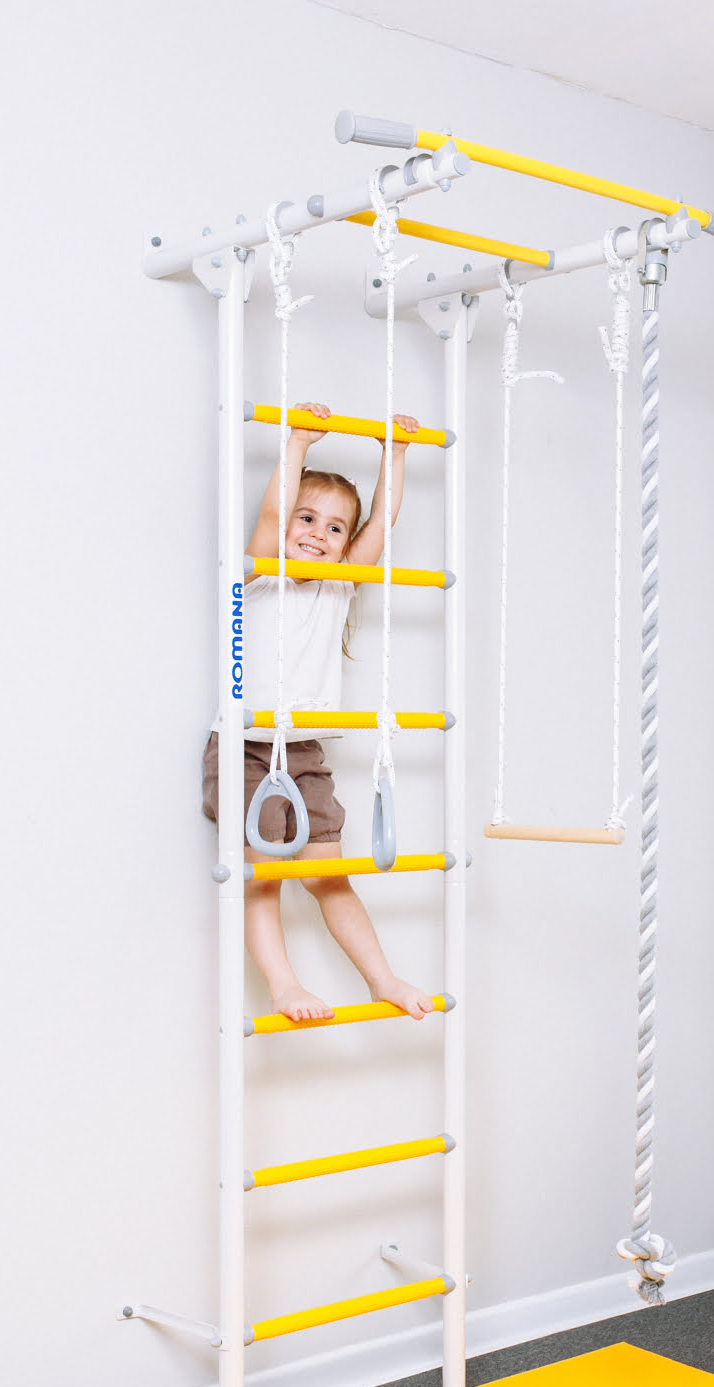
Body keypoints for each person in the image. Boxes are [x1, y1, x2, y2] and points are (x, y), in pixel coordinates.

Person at [202, 402, 436, 1025]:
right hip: (246, 749)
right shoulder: (261, 571)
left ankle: (383, 978)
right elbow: (271, 516)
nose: (317, 534)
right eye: (306, 518)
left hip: (305, 751)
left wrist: (396, 454)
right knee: (263, 877)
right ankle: (284, 986)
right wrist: (298, 444)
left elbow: (382, 524)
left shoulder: (339, 584)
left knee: (331, 878)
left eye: (335, 528)